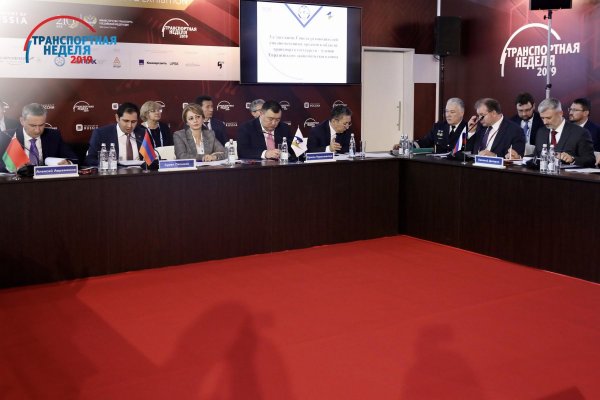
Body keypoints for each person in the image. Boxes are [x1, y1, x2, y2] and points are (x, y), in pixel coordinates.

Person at [0, 103, 77, 172]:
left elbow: (74, 159)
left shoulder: (53, 135)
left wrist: (68, 163)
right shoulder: (7, 136)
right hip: (17, 181)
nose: (37, 130)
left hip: (46, 180)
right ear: (22, 121)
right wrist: (10, 167)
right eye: (33, 125)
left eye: (41, 125)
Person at [534, 97, 595, 167]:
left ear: (560, 113)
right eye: (542, 118)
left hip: (567, 173)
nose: (545, 122)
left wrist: (572, 159)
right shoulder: (541, 132)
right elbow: (536, 156)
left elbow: (590, 160)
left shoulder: (580, 133)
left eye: (548, 118)